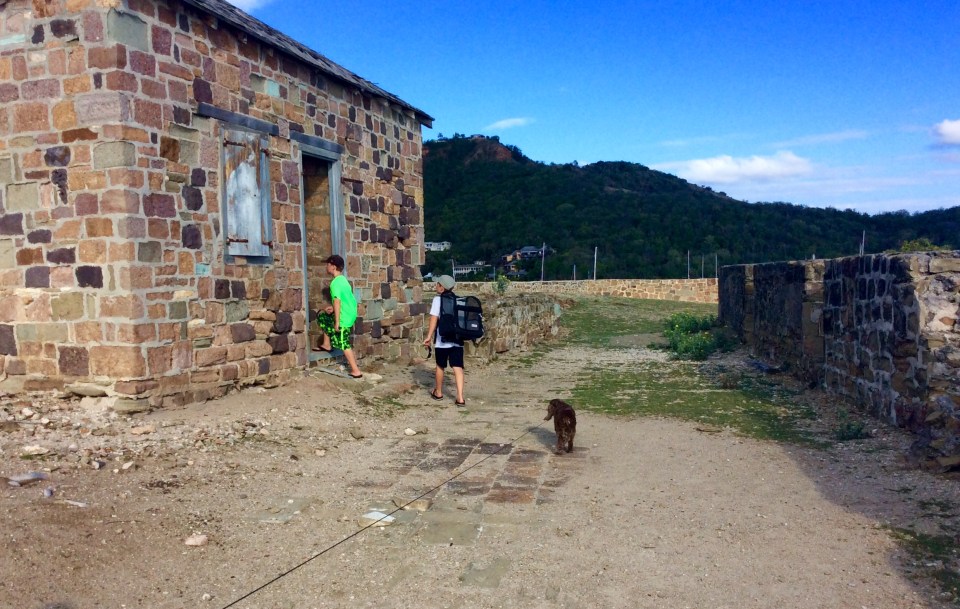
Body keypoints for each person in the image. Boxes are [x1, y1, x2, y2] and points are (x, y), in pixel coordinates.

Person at [315, 255, 362, 379]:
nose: (326, 266)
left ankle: (356, 370)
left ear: (333, 266)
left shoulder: (335, 283)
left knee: (343, 342)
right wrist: (332, 310)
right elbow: (344, 299)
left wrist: (337, 322)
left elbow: (337, 301)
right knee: (323, 317)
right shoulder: (342, 280)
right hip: (349, 312)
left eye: (328, 264)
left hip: (344, 316)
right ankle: (326, 344)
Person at [423, 274, 465, 405]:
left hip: (442, 340)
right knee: (458, 367)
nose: (436, 286)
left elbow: (434, 319)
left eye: (437, 284)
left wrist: (429, 337)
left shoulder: (437, 300)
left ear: (442, 287)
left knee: (440, 366)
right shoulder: (460, 300)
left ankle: (439, 392)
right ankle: (460, 397)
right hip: (457, 340)